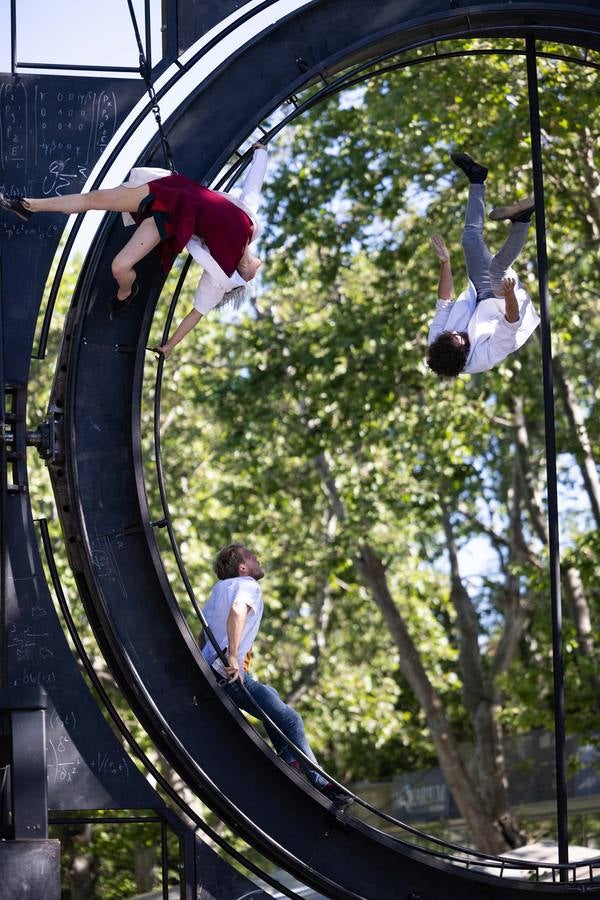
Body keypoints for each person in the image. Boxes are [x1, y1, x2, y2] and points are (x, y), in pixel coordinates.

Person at [0, 143, 268, 348]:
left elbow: (197, 313)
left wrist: (171, 345)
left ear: (243, 277)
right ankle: (29, 205)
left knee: (120, 266)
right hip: (170, 190)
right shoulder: (249, 222)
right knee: (94, 199)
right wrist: (262, 152)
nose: (257, 269)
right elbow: (253, 185)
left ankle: (126, 293)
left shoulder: (222, 275)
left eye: (252, 276)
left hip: (171, 221)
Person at [200, 542, 351, 806]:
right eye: (251, 555)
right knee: (291, 720)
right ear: (242, 567)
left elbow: (204, 632)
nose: (258, 558)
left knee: (271, 695)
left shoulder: (217, 590)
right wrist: (233, 656)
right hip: (227, 672)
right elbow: (237, 611)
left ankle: (289, 758)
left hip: (210, 668)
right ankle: (324, 785)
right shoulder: (248, 584)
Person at [426, 152, 540, 377]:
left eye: (453, 335)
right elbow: (511, 324)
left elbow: (444, 302)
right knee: (497, 270)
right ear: (464, 355)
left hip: (480, 293)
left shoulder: (436, 341)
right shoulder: (482, 359)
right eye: (461, 340)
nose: (459, 334)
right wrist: (508, 296)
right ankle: (523, 221)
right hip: (506, 306)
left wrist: (445, 263)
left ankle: (477, 179)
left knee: (469, 239)